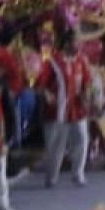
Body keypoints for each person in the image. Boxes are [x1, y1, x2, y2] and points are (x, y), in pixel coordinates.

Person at [36, 25, 91, 186]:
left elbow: (87, 82)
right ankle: (52, 177)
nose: (77, 45)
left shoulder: (81, 61)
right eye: (75, 42)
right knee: (56, 146)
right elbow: (41, 85)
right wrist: (47, 96)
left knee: (82, 139)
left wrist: (87, 95)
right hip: (56, 112)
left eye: (78, 42)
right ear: (66, 43)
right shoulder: (52, 62)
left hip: (78, 109)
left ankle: (78, 173)